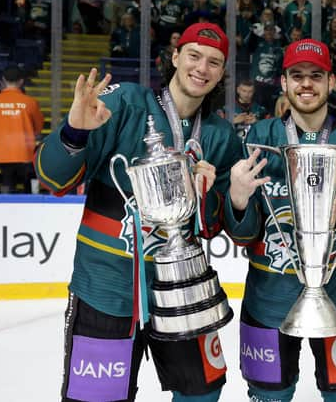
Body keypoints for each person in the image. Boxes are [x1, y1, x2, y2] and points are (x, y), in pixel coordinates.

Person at [33, 22, 241, 402]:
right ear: (175, 57)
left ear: (222, 73)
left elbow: (214, 227)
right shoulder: (125, 102)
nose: (202, 68)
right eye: (194, 55)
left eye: (214, 61)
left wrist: (209, 196)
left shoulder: (220, 136)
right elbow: (52, 179)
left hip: (184, 288)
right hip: (106, 290)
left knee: (203, 393)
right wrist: (75, 131)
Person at [224, 39, 336, 402]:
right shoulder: (259, 138)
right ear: (283, 82)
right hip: (268, 301)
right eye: (296, 75)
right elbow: (242, 230)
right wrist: (237, 200)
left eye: (316, 76)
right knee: (268, 396)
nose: (306, 84)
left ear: (331, 82)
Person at [0, 65, 44, 193]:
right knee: (30, 186)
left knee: (6, 184)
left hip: (2, 153)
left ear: (3, 80)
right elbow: (38, 127)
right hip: (25, 152)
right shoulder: (30, 102)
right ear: (21, 81)